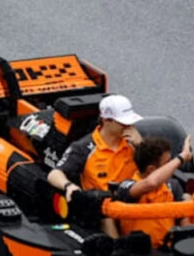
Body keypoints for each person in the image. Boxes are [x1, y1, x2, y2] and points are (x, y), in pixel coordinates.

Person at [47, 94, 144, 237]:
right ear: (106, 120)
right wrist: (68, 186)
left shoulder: (134, 142)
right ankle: (117, 253)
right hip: (104, 208)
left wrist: (142, 146)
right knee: (106, 215)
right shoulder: (84, 147)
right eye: (123, 123)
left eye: (131, 122)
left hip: (135, 199)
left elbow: (154, 169)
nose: (129, 127)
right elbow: (54, 174)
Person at [113, 135, 194, 247]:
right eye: (167, 163)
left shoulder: (172, 186)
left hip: (168, 252)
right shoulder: (126, 187)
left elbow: (184, 223)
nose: (171, 167)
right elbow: (151, 183)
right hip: (138, 254)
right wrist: (181, 158)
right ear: (151, 169)